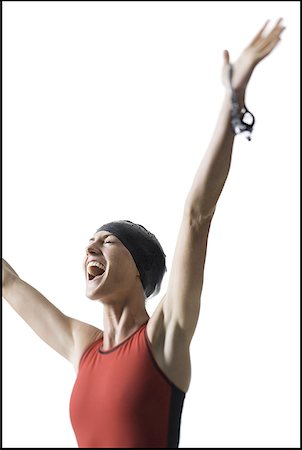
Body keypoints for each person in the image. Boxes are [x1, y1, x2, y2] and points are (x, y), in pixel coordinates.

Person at [2, 18, 285, 448]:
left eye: (108, 240)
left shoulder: (164, 337)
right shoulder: (84, 347)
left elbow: (196, 216)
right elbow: (8, 281)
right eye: (91, 240)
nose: (92, 245)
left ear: (138, 270)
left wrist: (233, 101)